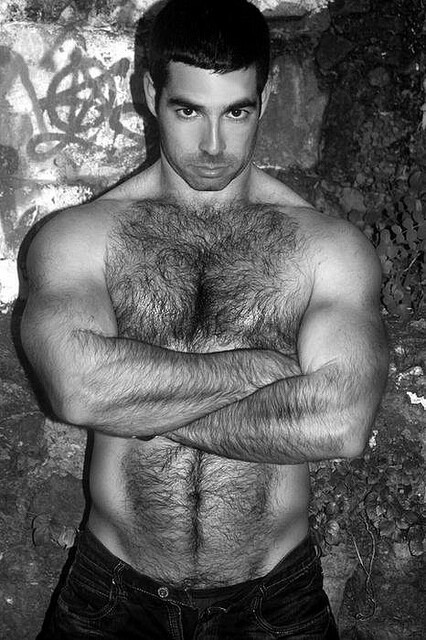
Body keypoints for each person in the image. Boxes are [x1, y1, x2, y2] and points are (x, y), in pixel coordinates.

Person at [21, 0, 389, 637]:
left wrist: (142, 410)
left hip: (276, 599)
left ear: (264, 98)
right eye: (188, 110)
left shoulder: (326, 248)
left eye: (236, 112)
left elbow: (340, 423)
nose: (214, 145)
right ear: (150, 95)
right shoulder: (83, 237)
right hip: (112, 592)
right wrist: (257, 371)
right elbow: (76, 390)